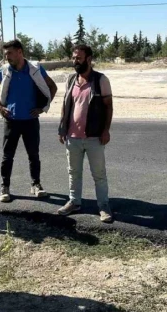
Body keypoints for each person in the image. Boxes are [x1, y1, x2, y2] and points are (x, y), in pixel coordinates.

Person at [0, 39, 58, 203]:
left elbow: (52, 87)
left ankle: (36, 184)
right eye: (5, 54)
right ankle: (4, 187)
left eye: (10, 53)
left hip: (31, 120)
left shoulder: (35, 69)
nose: (7, 57)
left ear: (20, 52)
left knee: (33, 155)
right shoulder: (5, 70)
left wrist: (43, 107)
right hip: (11, 120)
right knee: (7, 156)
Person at [56, 44, 115, 223]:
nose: (75, 61)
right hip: (72, 137)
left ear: (89, 59)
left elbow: (108, 106)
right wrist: (62, 128)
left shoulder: (101, 80)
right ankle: (74, 202)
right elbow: (66, 105)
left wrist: (106, 130)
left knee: (99, 174)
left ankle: (103, 206)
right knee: (73, 172)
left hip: (94, 137)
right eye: (74, 58)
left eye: (78, 58)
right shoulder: (71, 79)